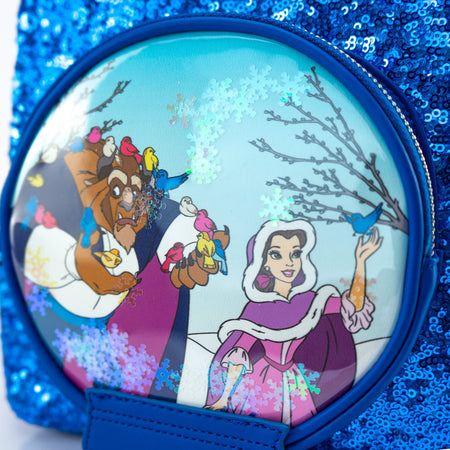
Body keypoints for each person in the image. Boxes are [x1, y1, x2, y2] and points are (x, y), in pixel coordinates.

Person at [205, 219, 382, 426]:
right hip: (259, 382)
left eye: (295, 254)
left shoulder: (311, 301)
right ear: (264, 262)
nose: (289, 263)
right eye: (276, 254)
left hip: (293, 382)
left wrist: (360, 262)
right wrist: (223, 398)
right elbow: (238, 356)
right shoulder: (258, 307)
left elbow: (352, 306)